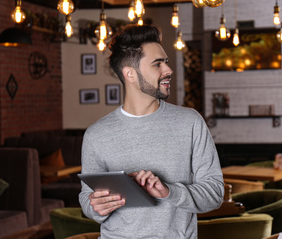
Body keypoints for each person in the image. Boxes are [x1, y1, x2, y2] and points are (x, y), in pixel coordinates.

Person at [79, 24, 224, 238]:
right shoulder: (96, 134)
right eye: (158, 64)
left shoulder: (190, 122)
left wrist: (169, 191)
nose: (168, 70)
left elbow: (214, 193)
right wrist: (96, 207)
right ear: (130, 74)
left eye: (165, 62)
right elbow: (87, 198)